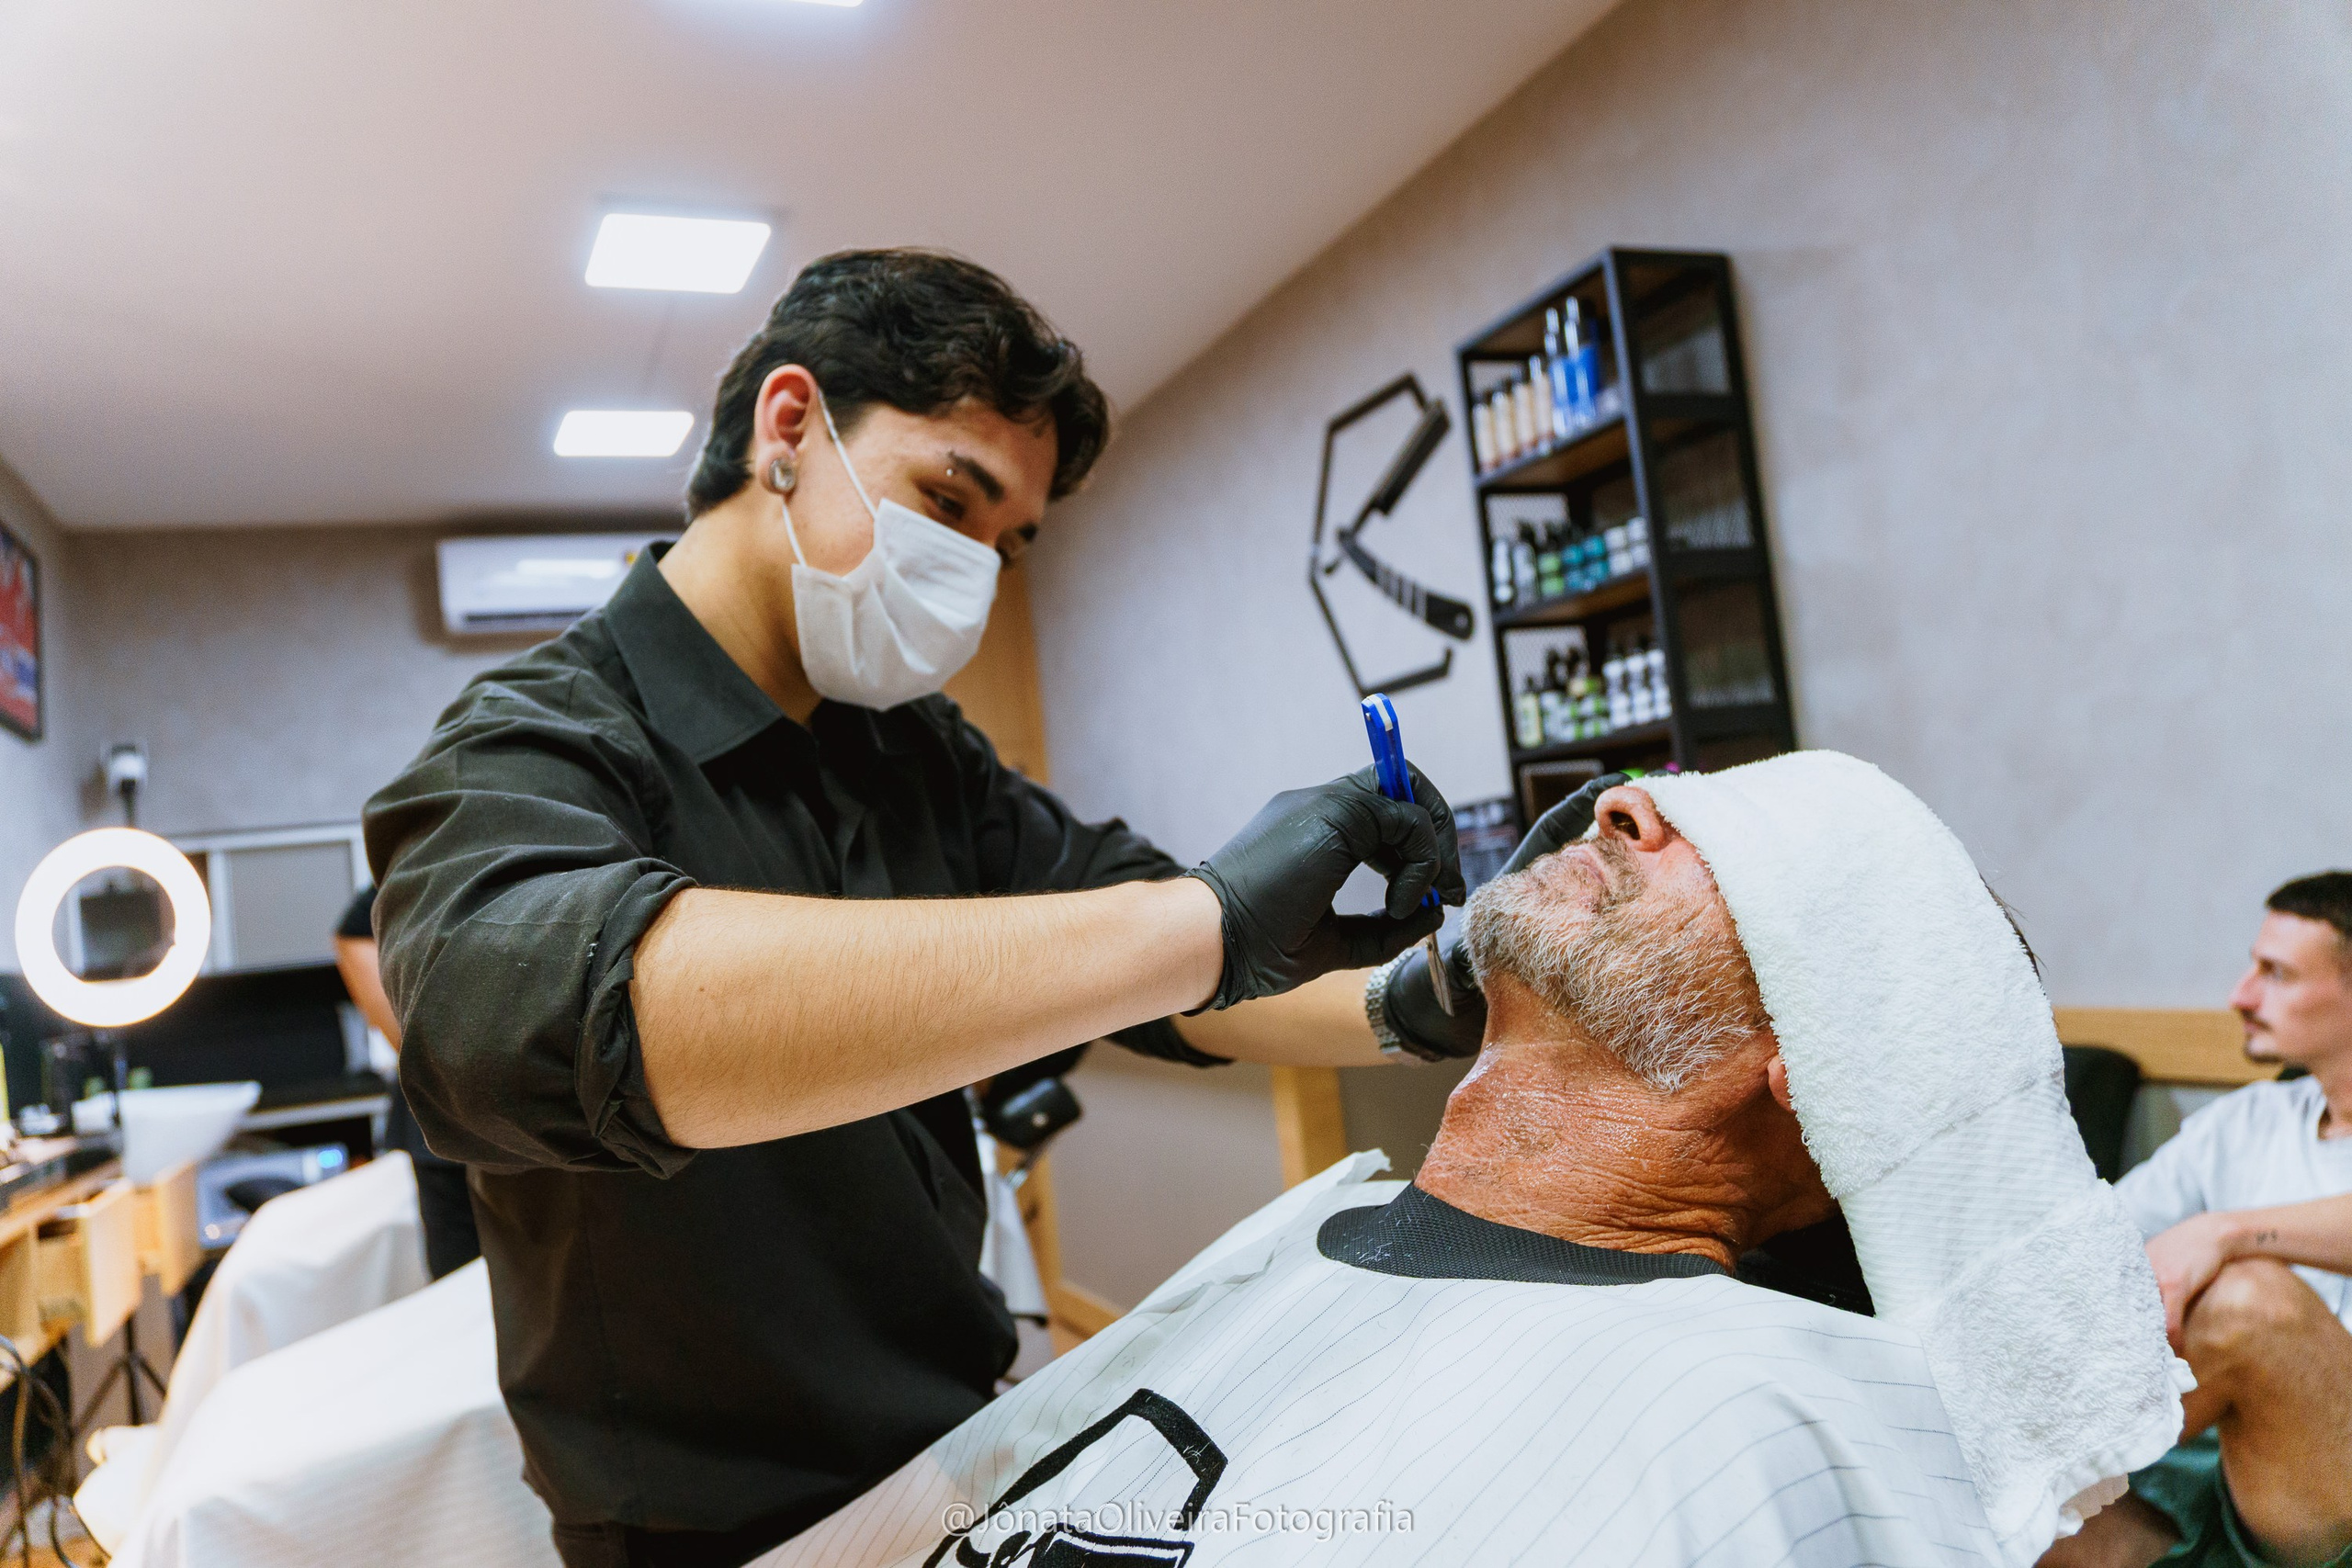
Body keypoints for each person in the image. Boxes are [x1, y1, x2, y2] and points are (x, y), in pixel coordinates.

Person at [366, 249, 1470, 1568]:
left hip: (955, 1442)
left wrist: (1428, 992)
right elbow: (544, 1015)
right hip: (711, 1521)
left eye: (1008, 541)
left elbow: (1158, 958)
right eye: (951, 497)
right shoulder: (532, 741)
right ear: (789, 427)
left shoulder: (908, 750)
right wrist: (1203, 927)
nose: (976, 569)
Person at [752, 755, 2184, 1568]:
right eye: (1666, 789)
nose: (1622, 802)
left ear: (1822, 1080)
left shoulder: (1753, 1420)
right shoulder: (1317, 1233)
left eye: (1745, 856)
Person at [2048, 873, 2352, 1568]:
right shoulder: (2246, 1122)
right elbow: (2092, 1243)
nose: (2240, 995)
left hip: (2334, 1487)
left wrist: (2225, 1231)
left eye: (2276, 973)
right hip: (2208, 1478)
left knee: (2251, 1300)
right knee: (2020, 1522)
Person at [332, 886, 481, 1280]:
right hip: (445, 1123)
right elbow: (354, 931)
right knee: (464, 1301)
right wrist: (413, 1039)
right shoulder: (446, 841)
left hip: (518, 1118)